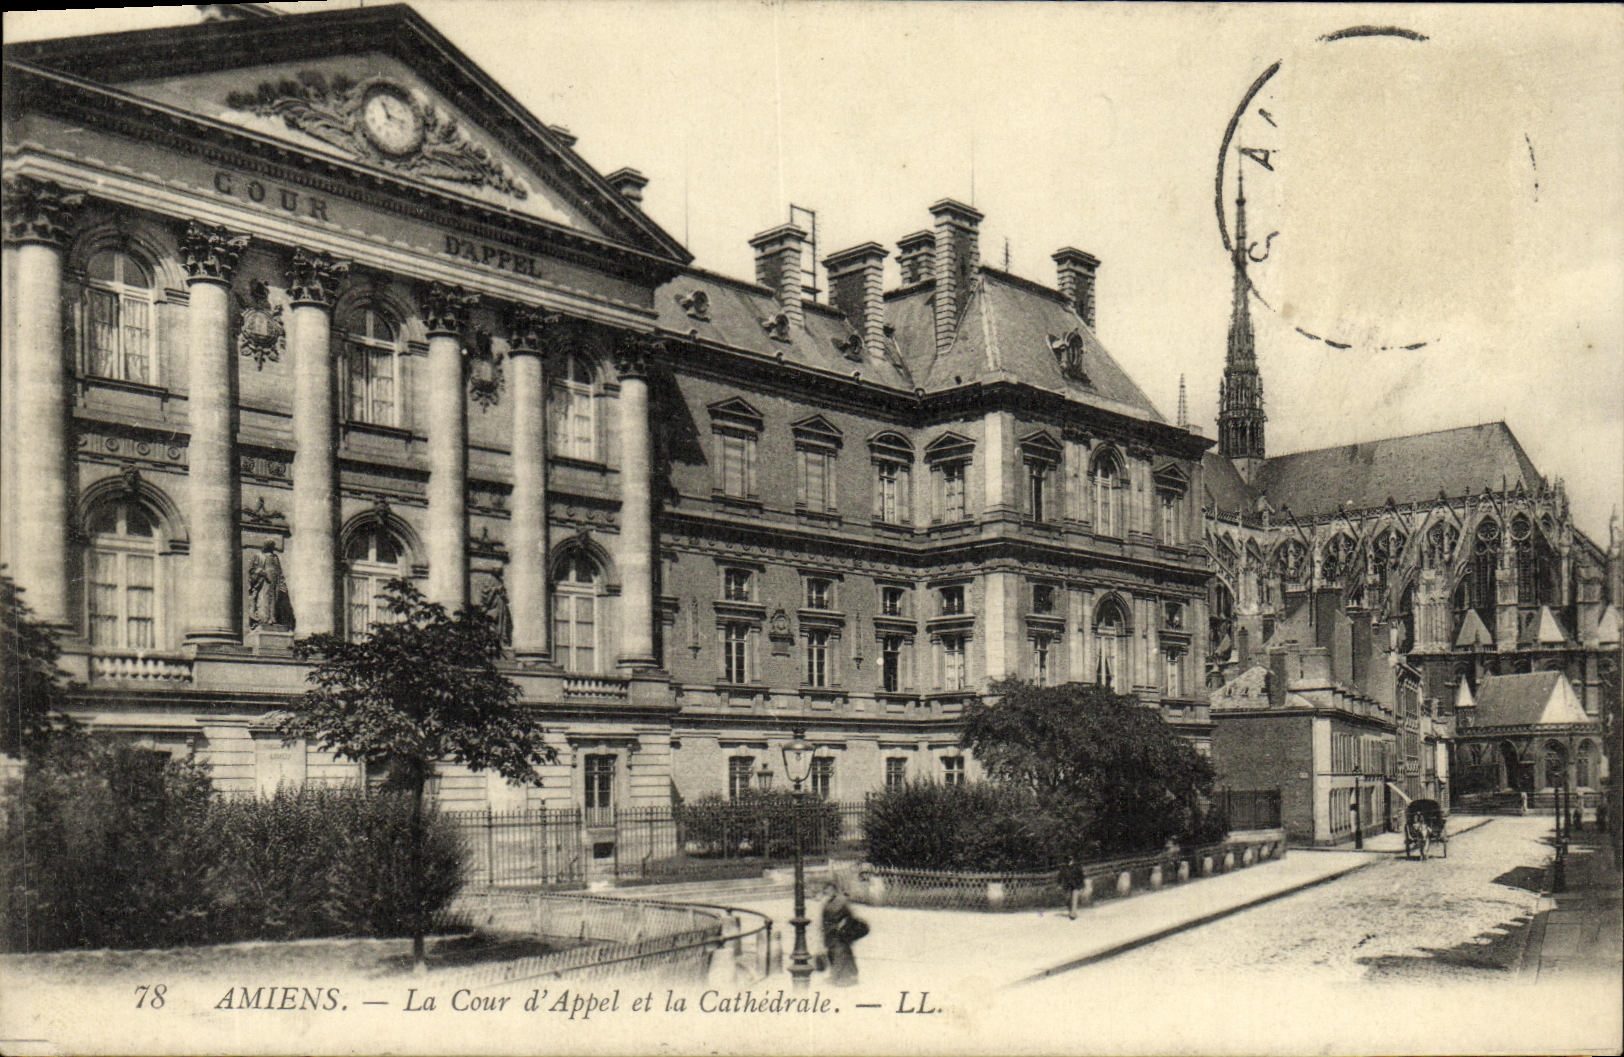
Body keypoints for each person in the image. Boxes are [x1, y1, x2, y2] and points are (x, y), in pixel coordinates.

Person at [819, 881, 867, 986]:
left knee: (839, 954)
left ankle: (838, 978)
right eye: (826, 889)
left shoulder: (841, 901)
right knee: (834, 953)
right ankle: (845, 977)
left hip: (838, 933)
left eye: (829, 889)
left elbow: (850, 916)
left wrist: (844, 926)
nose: (827, 891)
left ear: (834, 890)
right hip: (829, 932)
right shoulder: (827, 902)